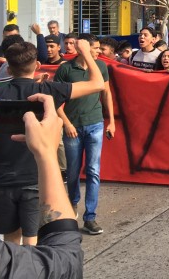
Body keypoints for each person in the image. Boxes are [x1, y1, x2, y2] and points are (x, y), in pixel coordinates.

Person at [0, 40, 104, 245]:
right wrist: (85, 51)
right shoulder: (48, 91)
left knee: (10, 242)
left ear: (9, 67)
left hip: (2, 179)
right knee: (31, 242)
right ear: (37, 65)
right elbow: (97, 83)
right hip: (35, 178)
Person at [0, 92, 83, 277]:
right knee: (30, 243)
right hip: (28, 184)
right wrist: (46, 154)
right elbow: (65, 263)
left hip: (2, 183)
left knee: (11, 240)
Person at [55, 33, 115, 236]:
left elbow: (106, 93)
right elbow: (55, 101)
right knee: (72, 172)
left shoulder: (101, 67)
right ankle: (71, 210)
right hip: (73, 128)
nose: (99, 51)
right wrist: (67, 123)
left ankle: (90, 217)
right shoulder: (65, 69)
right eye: (96, 48)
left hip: (95, 124)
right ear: (84, 48)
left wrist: (111, 122)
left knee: (93, 171)